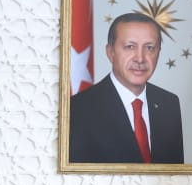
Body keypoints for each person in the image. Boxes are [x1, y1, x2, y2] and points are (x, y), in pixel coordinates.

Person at [66, 13, 185, 165]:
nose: (140, 58)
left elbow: (175, 175)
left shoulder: (169, 104)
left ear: (158, 52)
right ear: (110, 53)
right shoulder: (77, 109)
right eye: (130, 47)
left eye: (149, 48)